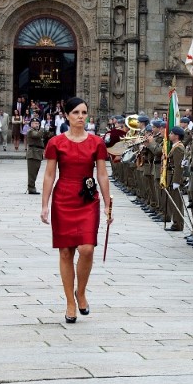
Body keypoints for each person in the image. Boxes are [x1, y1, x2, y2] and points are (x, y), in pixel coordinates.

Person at [40, 97, 112, 324]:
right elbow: (50, 174)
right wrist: (44, 204)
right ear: (67, 116)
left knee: (87, 248)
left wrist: (108, 202)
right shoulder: (56, 142)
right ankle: (70, 301)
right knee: (65, 252)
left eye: (84, 112)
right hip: (64, 197)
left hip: (88, 197)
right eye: (76, 113)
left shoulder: (97, 142)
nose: (81, 116)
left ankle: (81, 291)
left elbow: (101, 173)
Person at [26, 117, 44, 194]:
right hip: (33, 153)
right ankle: (31, 188)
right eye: (35, 123)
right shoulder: (31, 131)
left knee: (35, 171)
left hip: (38, 153)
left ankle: (32, 186)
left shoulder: (37, 131)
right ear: (31, 124)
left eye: (38, 123)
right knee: (32, 172)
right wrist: (42, 128)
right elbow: (37, 135)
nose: (37, 125)